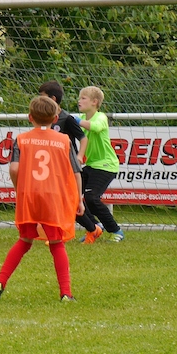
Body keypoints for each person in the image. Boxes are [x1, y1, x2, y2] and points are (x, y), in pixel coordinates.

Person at [0, 96, 84, 301]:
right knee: (56, 243)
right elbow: (76, 172)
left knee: (24, 241)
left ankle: (0, 282)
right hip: (53, 197)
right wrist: (79, 200)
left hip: (29, 195)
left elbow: (14, 168)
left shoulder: (21, 139)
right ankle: (66, 293)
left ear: (30, 117)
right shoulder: (64, 140)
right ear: (55, 118)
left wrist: (19, 189)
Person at [39, 80, 101, 243]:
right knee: (62, 201)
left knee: (66, 202)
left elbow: (83, 139)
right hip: (53, 166)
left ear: (53, 98)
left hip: (67, 165)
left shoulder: (66, 118)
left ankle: (85, 229)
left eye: (42, 96)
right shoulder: (45, 118)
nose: (40, 100)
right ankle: (93, 228)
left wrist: (79, 156)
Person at [74, 86, 123, 242]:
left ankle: (116, 231)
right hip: (91, 165)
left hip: (106, 165)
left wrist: (76, 121)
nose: (79, 101)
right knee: (71, 197)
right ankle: (95, 227)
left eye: (83, 98)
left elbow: (95, 127)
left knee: (91, 197)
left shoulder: (100, 117)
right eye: (79, 98)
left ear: (94, 102)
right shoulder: (81, 117)